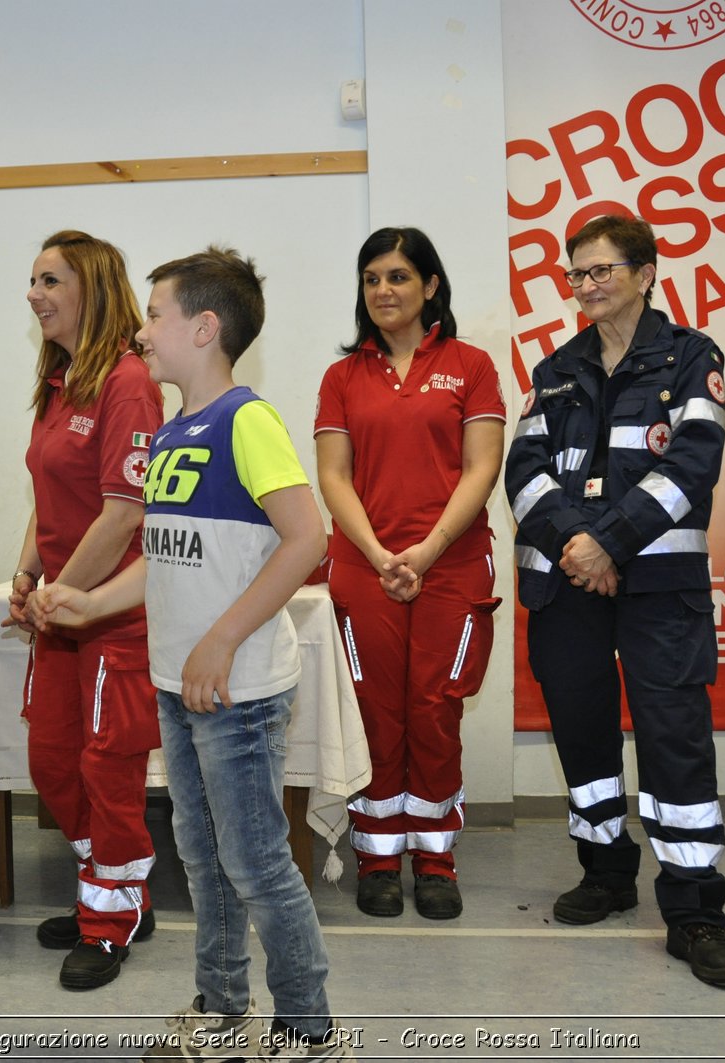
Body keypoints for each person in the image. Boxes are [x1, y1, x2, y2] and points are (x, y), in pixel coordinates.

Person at [30, 248, 356, 1060]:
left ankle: (310, 1028)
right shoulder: (175, 432)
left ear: (204, 327)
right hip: (179, 687)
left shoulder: (249, 420)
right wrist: (89, 601)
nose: (141, 330)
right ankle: (219, 1007)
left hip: (237, 691)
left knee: (256, 864)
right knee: (203, 860)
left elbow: (307, 535)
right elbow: (161, 557)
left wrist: (221, 639)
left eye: (155, 314)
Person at [503, 214, 725, 989]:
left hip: (656, 587)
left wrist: (606, 540)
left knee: (675, 737)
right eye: (576, 274)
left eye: (601, 271)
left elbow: (692, 465)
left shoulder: (690, 356)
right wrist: (583, 545)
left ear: (646, 273)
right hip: (568, 585)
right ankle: (607, 871)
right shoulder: (554, 370)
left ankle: (695, 912)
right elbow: (525, 471)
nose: (585, 286)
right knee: (583, 738)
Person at [313, 228, 504, 920]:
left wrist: (425, 551)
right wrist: (378, 552)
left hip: (449, 564)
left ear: (430, 285)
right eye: (372, 278)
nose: (384, 291)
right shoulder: (342, 377)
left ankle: (434, 856)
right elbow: (332, 476)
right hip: (365, 567)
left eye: (398, 276)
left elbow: (482, 466)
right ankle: (376, 856)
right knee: (372, 710)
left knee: (433, 705)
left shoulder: (472, 364)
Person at [4, 230, 163, 989]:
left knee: (109, 768)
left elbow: (124, 512)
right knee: (53, 761)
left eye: (50, 280)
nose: (33, 293)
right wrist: (28, 571)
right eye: (32, 280)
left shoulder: (129, 381)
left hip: (112, 615)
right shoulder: (60, 382)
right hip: (62, 611)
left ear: (92, 289)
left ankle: (110, 919)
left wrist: (66, 592)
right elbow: (49, 499)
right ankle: (115, 887)